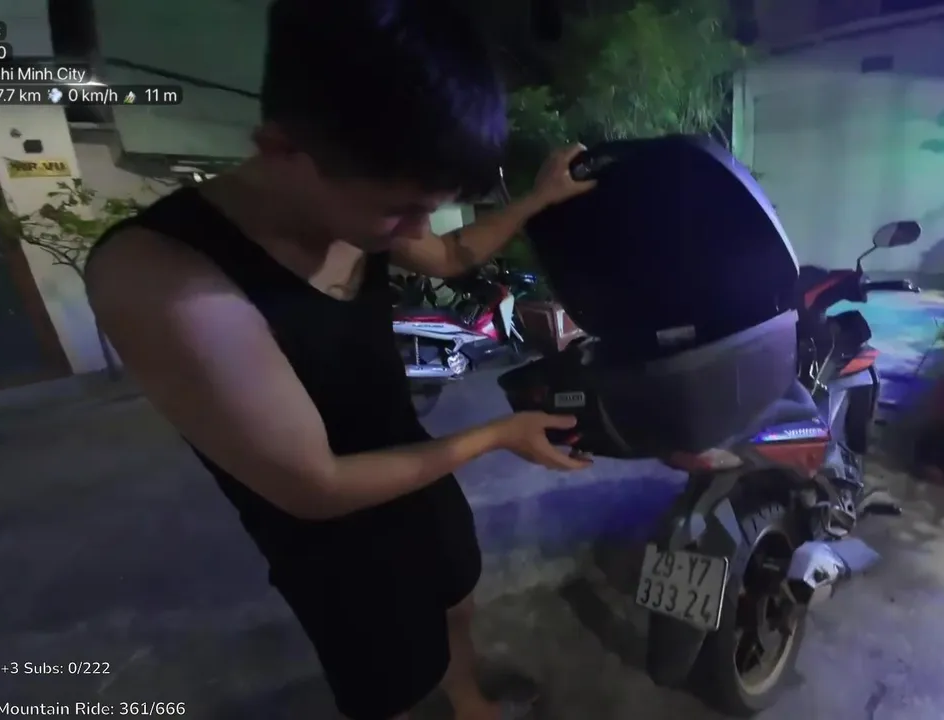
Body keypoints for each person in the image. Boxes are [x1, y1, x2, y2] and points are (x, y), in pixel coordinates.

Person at [84, 1, 595, 718]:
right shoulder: (166, 277)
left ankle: (468, 702)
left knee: (455, 597)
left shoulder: (359, 198)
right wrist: (498, 435)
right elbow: (315, 487)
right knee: (391, 682)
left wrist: (538, 199)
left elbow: (453, 253)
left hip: (417, 468)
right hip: (333, 539)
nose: (416, 230)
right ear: (282, 149)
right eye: (402, 209)